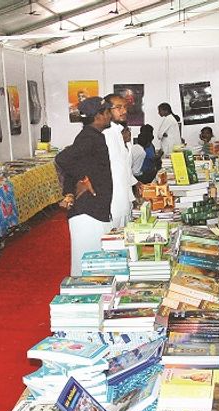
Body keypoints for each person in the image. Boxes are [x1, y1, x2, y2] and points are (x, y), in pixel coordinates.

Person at [54, 97, 114, 276]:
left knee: (93, 264)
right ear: (99, 116)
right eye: (108, 112)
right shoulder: (89, 137)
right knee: (86, 265)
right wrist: (84, 179)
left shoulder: (93, 136)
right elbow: (62, 158)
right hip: (88, 211)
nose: (110, 116)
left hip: (95, 208)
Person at [103, 94, 138, 229]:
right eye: (118, 107)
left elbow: (124, 166)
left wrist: (135, 184)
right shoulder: (106, 133)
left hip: (124, 195)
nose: (124, 111)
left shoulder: (120, 132)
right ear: (107, 110)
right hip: (113, 198)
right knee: (113, 237)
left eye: (125, 107)